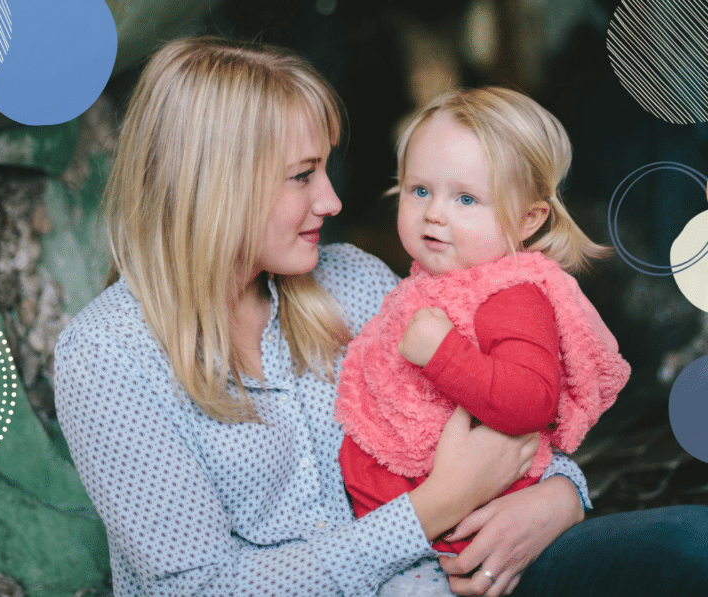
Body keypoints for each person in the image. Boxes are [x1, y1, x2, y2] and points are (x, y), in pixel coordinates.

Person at [53, 36, 708, 597]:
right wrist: (433, 508)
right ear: (216, 183)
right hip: (409, 560)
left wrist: (559, 498)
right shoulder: (106, 354)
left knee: (688, 544)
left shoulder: (357, 281)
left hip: (458, 569)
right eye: (303, 175)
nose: (333, 200)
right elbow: (199, 588)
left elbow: (509, 410)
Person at [335, 87, 631, 555]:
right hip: (402, 526)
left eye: (466, 199)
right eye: (420, 190)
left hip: (468, 534)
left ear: (529, 220)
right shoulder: (429, 282)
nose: (434, 212)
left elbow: (533, 401)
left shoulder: (511, 295)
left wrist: (444, 355)